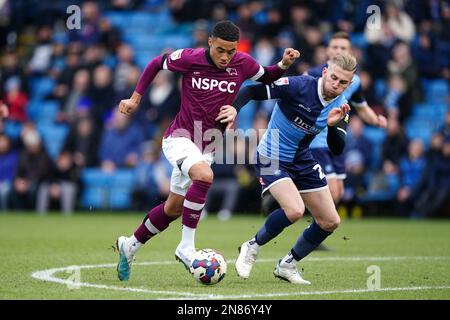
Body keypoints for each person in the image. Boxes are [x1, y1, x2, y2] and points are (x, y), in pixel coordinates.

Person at [115, 20, 300, 281]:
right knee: (204, 176)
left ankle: (130, 245)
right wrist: (135, 97)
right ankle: (186, 247)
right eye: (221, 50)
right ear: (210, 42)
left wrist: (284, 65)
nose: (226, 57)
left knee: (173, 209)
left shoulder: (243, 63)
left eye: (231, 51)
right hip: (179, 137)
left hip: (208, 143)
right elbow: (157, 62)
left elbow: (267, 75)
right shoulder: (191, 58)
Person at [232, 53, 356, 284]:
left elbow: (337, 148)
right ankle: (251, 247)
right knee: (295, 210)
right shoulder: (299, 85)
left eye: (343, 83)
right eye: (334, 78)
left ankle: (287, 265)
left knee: (330, 221)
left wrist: (332, 126)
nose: (336, 85)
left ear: (349, 84)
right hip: (271, 156)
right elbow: (250, 91)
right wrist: (233, 110)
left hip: (302, 160)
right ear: (326, 72)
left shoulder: (342, 105)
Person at [306, 32, 387, 206]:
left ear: (350, 52)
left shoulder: (354, 81)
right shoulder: (312, 75)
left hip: (337, 140)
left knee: (339, 192)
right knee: (333, 194)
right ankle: (314, 222)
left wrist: (376, 120)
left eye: (343, 48)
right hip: (317, 141)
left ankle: (317, 220)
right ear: (327, 50)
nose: (338, 51)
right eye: (335, 47)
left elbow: (362, 107)